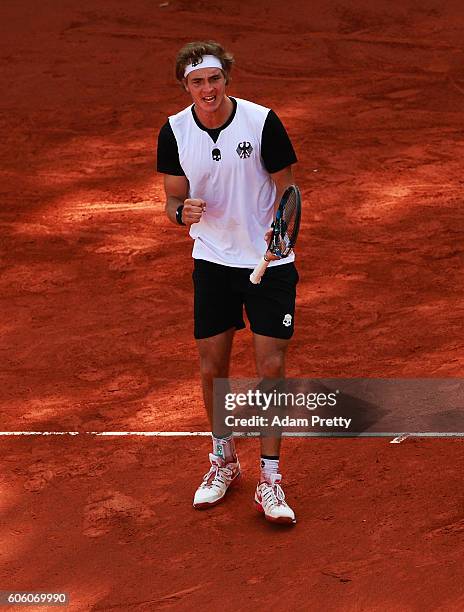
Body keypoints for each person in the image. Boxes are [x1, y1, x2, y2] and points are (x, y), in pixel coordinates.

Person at [157, 40, 299, 525]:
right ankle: (224, 460)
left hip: (268, 262)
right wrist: (182, 213)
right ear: (186, 86)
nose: (207, 89)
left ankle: (271, 481)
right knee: (212, 367)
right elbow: (173, 199)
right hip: (213, 261)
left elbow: (288, 187)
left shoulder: (262, 122)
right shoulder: (174, 131)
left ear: (227, 80)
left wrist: (278, 229)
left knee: (271, 368)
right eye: (197, 82)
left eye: (214, 79)